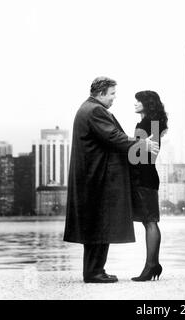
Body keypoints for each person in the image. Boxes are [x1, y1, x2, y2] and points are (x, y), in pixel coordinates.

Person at [63, 77, 159, 284]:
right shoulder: (95, 111)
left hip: (92, 176)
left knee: (96, 225)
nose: (115, 98)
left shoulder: (88, 108)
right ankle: (94, 272)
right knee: (98, 224)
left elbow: (111, 137)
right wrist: (143, 144)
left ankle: (95, 270)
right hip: (96, 177)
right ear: (101, 93)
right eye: (112, 93)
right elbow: (114, 137)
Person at [129, 90, 168, 281]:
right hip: (146, 176)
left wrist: (134, 146)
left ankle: (151, 266)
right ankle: (152, 264)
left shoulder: (149, 124)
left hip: (144, 177)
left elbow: (143, 154)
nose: (135, 103)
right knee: (149, 221)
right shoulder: (150, 123)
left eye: (139, 101)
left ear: (148, 103)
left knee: (150, 221)